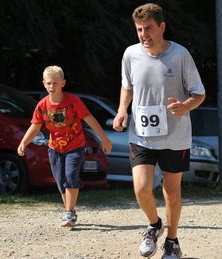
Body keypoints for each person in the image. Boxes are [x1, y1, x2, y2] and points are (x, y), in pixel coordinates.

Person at [113, 3, 205, 259]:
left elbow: (199, 93)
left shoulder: (180, 55)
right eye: (140, 30)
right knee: (141, 188)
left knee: (171, 191)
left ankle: (172, 241)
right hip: (141, 134)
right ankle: (154, 225)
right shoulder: (131, 54)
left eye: (149, 29)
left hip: (175, 136)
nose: (144, 35)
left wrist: (185, 106)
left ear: (162, 27)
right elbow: (127, 86)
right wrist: (122, 109)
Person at [17, 65, 112, 227]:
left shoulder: (73, 101)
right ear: (44, 84)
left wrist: (104, 138)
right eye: (48, 83)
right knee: (61, 181)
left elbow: (89, 119)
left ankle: (68, 213)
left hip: (75, 146)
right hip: (54, 148)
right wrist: (23, 142)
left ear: (63, 83)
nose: (51, 86)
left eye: (55, 83)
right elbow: (35, 126)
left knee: (70, 177)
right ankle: (70, 211)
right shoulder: (42, 105)